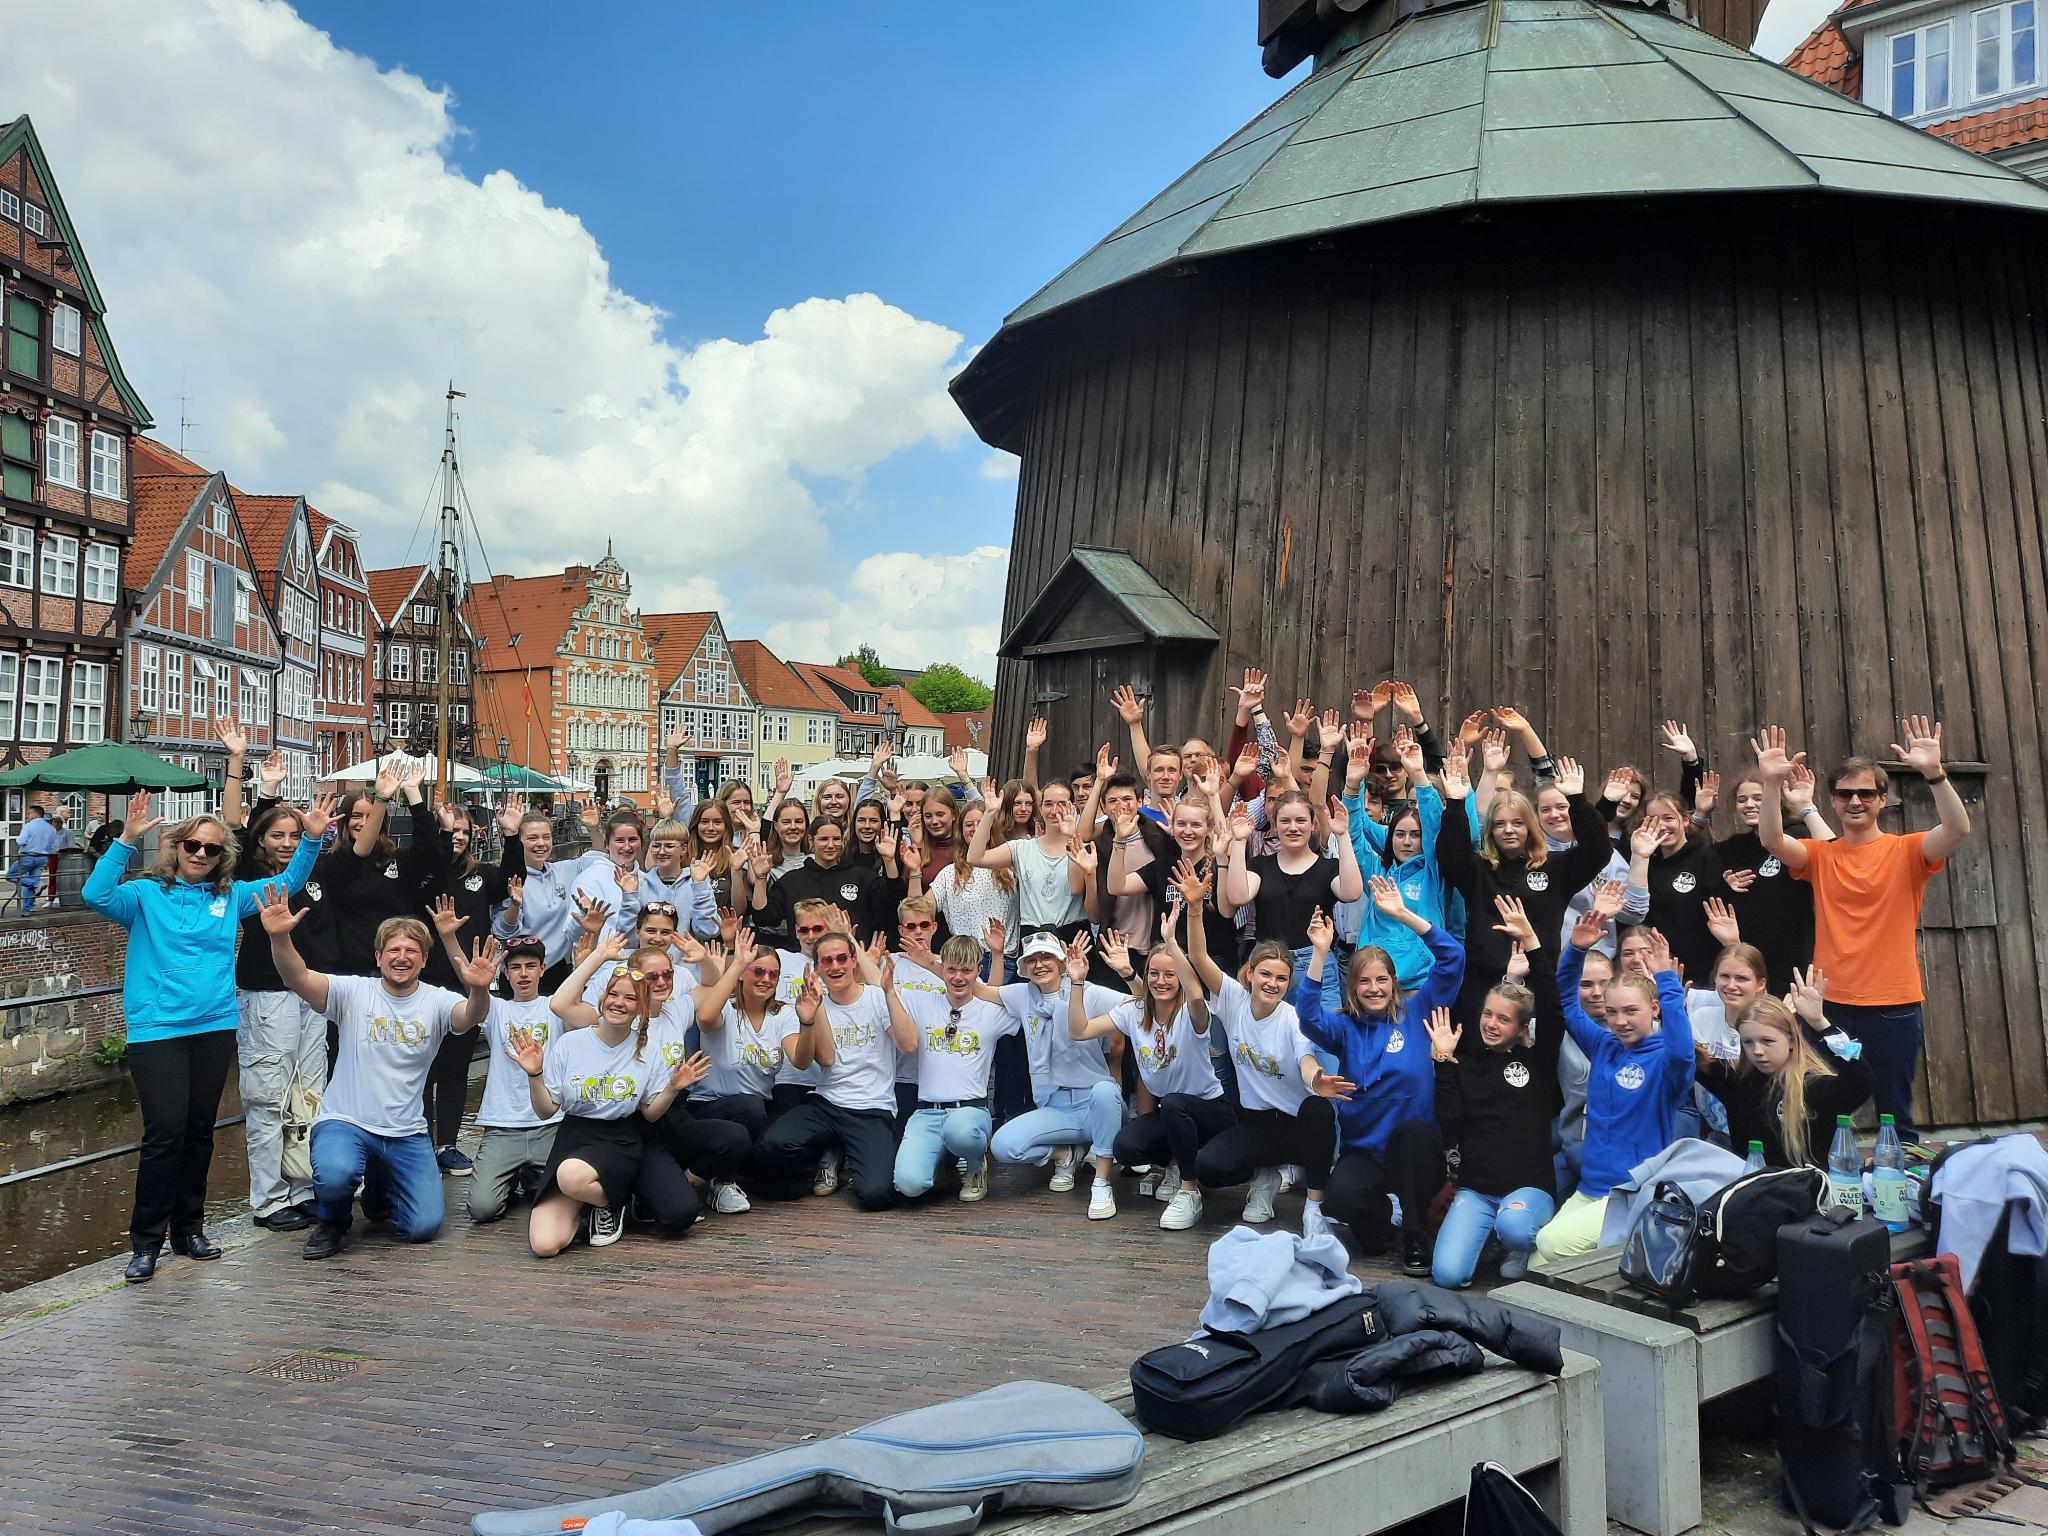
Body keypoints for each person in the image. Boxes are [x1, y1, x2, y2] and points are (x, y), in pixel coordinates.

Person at [84, 789, 331, 1282]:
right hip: (158, 1030)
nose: (200, 854)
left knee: (199, 1131)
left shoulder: (230, 897)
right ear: (176, 847)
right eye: (192, 846)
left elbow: (287, 882)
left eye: (211, 849)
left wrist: (312, 840)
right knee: (164, 1134)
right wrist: (128, 840)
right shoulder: (144, 896)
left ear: (223, 858)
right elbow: (96, 894)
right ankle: (146, 1242)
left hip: (215, 1025)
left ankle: (189, 1229)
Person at [1753, 718, 1967, 1138]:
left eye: (1865, 793)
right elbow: (1772, 840)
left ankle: (1899, 1183)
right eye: (1845, 793)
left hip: (1893, 1004)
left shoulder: (1906, 850)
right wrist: (1772, 784)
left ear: (1882, 799)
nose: (1855, 801)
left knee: (1894, 1106)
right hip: (1829, 1005)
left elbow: (1958, 829)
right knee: (1825, 1104)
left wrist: (1934, 773)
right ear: (1832, 801)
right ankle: (1827, 1188)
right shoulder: (1821, 855)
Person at [260, 892, 497, 1260]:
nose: (401, 958)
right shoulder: (353, 991)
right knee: (336, 1174)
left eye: (411, 951)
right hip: (347, 1121)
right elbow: (297, 977)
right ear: (379, 957)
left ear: (423, 960)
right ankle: (333, 1222)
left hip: (405, 1131)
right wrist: (279, 937)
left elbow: (472, 1017)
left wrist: (479, 987)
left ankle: (378, 1190)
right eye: (393, 950)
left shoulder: (436, 1000)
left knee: (423, 1227)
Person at [1175, 859, 1355, 1239]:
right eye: (1266, 974)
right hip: (1256, 1124)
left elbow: (1306, 1059)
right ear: (1250, 974)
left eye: (1281, 978)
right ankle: (1267, 1174)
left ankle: (1313, 1207)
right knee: (1209, 1166)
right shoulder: (1233, 1000)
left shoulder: (1292, 1019)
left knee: (1320, 1110)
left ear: (1289, 983)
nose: (1272, 983)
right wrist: (1194, 910)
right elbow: (1199, 958)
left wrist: (1315, 1078)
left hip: (1295, 1127)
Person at [1297, 880, 1465, 1275]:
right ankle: (1382, 1224)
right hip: (1366, 1151)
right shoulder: (1344, 1027)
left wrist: (1403, 915)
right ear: (1353, 987)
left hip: (1416, 1151)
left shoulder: (1420, 1007)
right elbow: (1308, 1016)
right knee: (1340, 1203)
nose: (1374, 989)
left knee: (1414, 1136)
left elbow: (1452, 957)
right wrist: (1321, 953)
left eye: (1381, 980)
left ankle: (1415, 1236)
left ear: (1393, 983)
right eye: (1364, 981)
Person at [513, 934, 714, 1255]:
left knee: (571, 1175)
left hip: (621, 1140)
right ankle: (597, 1201)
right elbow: (545, 1111)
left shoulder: (647, 1050)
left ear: (641, 1008)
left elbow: (649, 1113)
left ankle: (610, 1200)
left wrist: (674, 1086)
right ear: (602, 999)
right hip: (575, 1137)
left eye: (630, 999)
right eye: (613, 995)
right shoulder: (571, 1043)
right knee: (544, 1245)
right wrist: (534, 1074)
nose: (619, 1003)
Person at [1537, 908, 1693, 1264]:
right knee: (1537, 1267)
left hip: (1631, 1193)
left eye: (1631, 1011)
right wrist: (1575, 951)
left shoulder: (1666, 1061)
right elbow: (1566, 1007)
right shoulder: (1604, 1045)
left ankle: (1626, 1251)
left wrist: (1666, 979)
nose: (1620, 1021)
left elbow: (1683, 1053)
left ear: (1654, 1009)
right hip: (1590, 1189)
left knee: (1550, 1244)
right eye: (1612, 1012)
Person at [1425, 896, 1565, 1286]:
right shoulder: (1466, 1063)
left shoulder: (1536, 1060)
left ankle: (1520, 1244)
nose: (1491, 1023)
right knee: (1448, 1275)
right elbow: (1450, 1122)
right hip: (1478, 1191)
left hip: (1528, 1189)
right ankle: (1489, 1236)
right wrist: (1443, 1063)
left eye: (1503, 1019)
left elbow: (1552, 1010)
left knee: (1516, 1226)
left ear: (1521, 1028)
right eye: (1488, 1014)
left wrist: (1533, 945)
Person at [1074, 914, 1232, 1231]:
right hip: (1174, 1114)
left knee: (1173, 1103)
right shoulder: (1135, 1012)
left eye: (1169, 974)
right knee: (1126, 1147)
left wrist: (1172, 944)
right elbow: (1081, 1030)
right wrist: (1077, 981)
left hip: (1212, 1113)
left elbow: (1197, 994)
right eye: (1154, 974)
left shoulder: (1193, 1014)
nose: (1161, 980)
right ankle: (1174, 1164)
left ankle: (1190, 1190)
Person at [1435, 751, 1610, 1027]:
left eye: (1517, 823)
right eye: (1499, 824)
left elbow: (1598, 851)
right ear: (1490, 831)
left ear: (1530, 827)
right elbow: (1450, 856)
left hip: (1537, 985)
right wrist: (1455, 804)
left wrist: (1577, 801)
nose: (1508, 831)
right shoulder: (1480, 870)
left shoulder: (1556, 867)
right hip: (1483, 985)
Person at [752, 932, 916, 1209]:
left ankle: (845, 1153)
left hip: (871, 1108)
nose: (835, 966)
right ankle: (824, 1155)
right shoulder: (813, 1003)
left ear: (854, 960)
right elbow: (825, 1060)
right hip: (826, 1102)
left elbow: (909, 1044)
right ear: (817, 967)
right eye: (827, 961)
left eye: (842, 958)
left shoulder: (877, 997)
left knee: (875, 1195)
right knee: (773, 1145)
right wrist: (814, 1013)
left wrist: (890, 993)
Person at [987, 932, 1129, 1219]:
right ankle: (1066, 1154)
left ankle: (1102, 1182)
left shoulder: (1088, 991)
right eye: (1032, 960)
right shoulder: (1020, 995)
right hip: (1055, 1106)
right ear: (1025, 968)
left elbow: (1140, 1002)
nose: (1040, 965)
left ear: (1062, 961)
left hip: (1097, 1105)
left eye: (1046, 957)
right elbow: (976, 990)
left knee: (1105, 1090)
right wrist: (996, 954)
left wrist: (1127, 971)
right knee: (1003, 1146)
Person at [1691, 968, 1874, 1168]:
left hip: (1806, 1190)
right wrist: (1669, 999)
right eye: (1748, 1042)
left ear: (1791, 1041)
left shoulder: (1813, 1087)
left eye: (1767, 1041)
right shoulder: (1735, 1081)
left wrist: (1820, 1024)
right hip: (1749, 1189)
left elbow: (1862, 1079)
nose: (1757, 1050)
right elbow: (1685, 1057)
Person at [889, 933, 1019, 1202]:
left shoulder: (990, 1011)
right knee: (908, 1184)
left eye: (966, 970)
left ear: (977, 971)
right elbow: (883, 987)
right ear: (942, 969)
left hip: (969, 1111)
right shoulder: (923, 1000)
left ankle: (975, 1165)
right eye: (951, 969)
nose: (958, 977)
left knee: (960, 1131)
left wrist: (997, 954)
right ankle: (935, 1162)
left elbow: (1017, 1003)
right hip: (927, 1112)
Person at [461, 933, 565, 1224]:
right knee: (482, 1209)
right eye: (516, 967)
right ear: (505, 973)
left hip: (550, 1124)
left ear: (542, 969)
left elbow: (580, 998)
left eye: (531, 966)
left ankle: (530, 1176)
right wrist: (447, 936)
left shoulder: (556, 1007)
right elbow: (473, 983)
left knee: (559, 1197)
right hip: (502, 1126)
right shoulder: (497, 1009)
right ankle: (513, 1175)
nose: (523, 974)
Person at [325, 761, 449, 978]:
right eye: (357, 816)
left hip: (397, 967)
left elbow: (430, 850)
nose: (363, 823)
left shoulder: (397, 860)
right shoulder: (335, 863)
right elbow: (355, 856)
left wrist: (413, 794)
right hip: (351, 970)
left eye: (371, 816)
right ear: (345, 819)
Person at [967, 776, 1088, 941]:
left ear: (1073, 807)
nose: (1054, 811)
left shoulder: (1085, 849)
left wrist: (1071, 837)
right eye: (1048, 804)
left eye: (1062, 804)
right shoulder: (1022, 848)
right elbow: (975, 857)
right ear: (1040, 807)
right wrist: (990, 813)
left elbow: (1076, 888)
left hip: (1073, 935)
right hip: (1033, 936)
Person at [7, 803, 63, 913]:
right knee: (33, 880)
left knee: (10, 875)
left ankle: (36, 885)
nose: (27, 815)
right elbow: (55, 847)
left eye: (29, 813)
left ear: (35, 814)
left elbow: (21, 841)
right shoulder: (51, 829)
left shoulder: (29, 826)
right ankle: (26, 909)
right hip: (43, 858)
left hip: (28, 856)